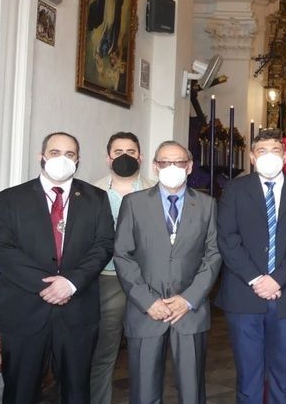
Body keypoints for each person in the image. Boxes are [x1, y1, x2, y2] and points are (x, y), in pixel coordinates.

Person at [0, 132, 115, 403]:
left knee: (76, 391)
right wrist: (47, 286)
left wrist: (70, 283)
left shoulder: (96, 198)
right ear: (42, 156)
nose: (62, 159)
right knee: (20, 392)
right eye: (55, 153)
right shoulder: (10, 199)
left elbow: (103, 245)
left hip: (77, 312)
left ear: (77, 160)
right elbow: (2, 251)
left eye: (70, 154)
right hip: (24, 312)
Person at [215, 129, 286, 404]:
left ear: (284, 157)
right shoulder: (234, 190)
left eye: (275, 150)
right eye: (262, 151)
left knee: (282, 376)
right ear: (252, 157)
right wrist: (255, 278)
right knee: (248, 376)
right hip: (244, 294)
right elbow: (227, 238)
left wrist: (277, 279)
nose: (269, 156)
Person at [114, 141, 221, 404]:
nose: (172, 167)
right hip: (146, 311)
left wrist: (188, 299)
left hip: (190, 311)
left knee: (192, 391)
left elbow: (213, 255)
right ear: (155, 166)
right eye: (165, 162)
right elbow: (123, 254)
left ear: (189, 167)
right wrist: (148, 301)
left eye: (179, 162)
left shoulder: (207, 205)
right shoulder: (134, 203)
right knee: (144, 392)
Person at [89, 131, 155, 404]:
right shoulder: (91, 193)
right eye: (118, 152)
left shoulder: (156, 190)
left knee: (148, 350)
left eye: (131, 152)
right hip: (108, 279)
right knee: (104, 350)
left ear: (141, 157)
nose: (124, 157)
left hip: (146, 280)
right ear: (108, 158)